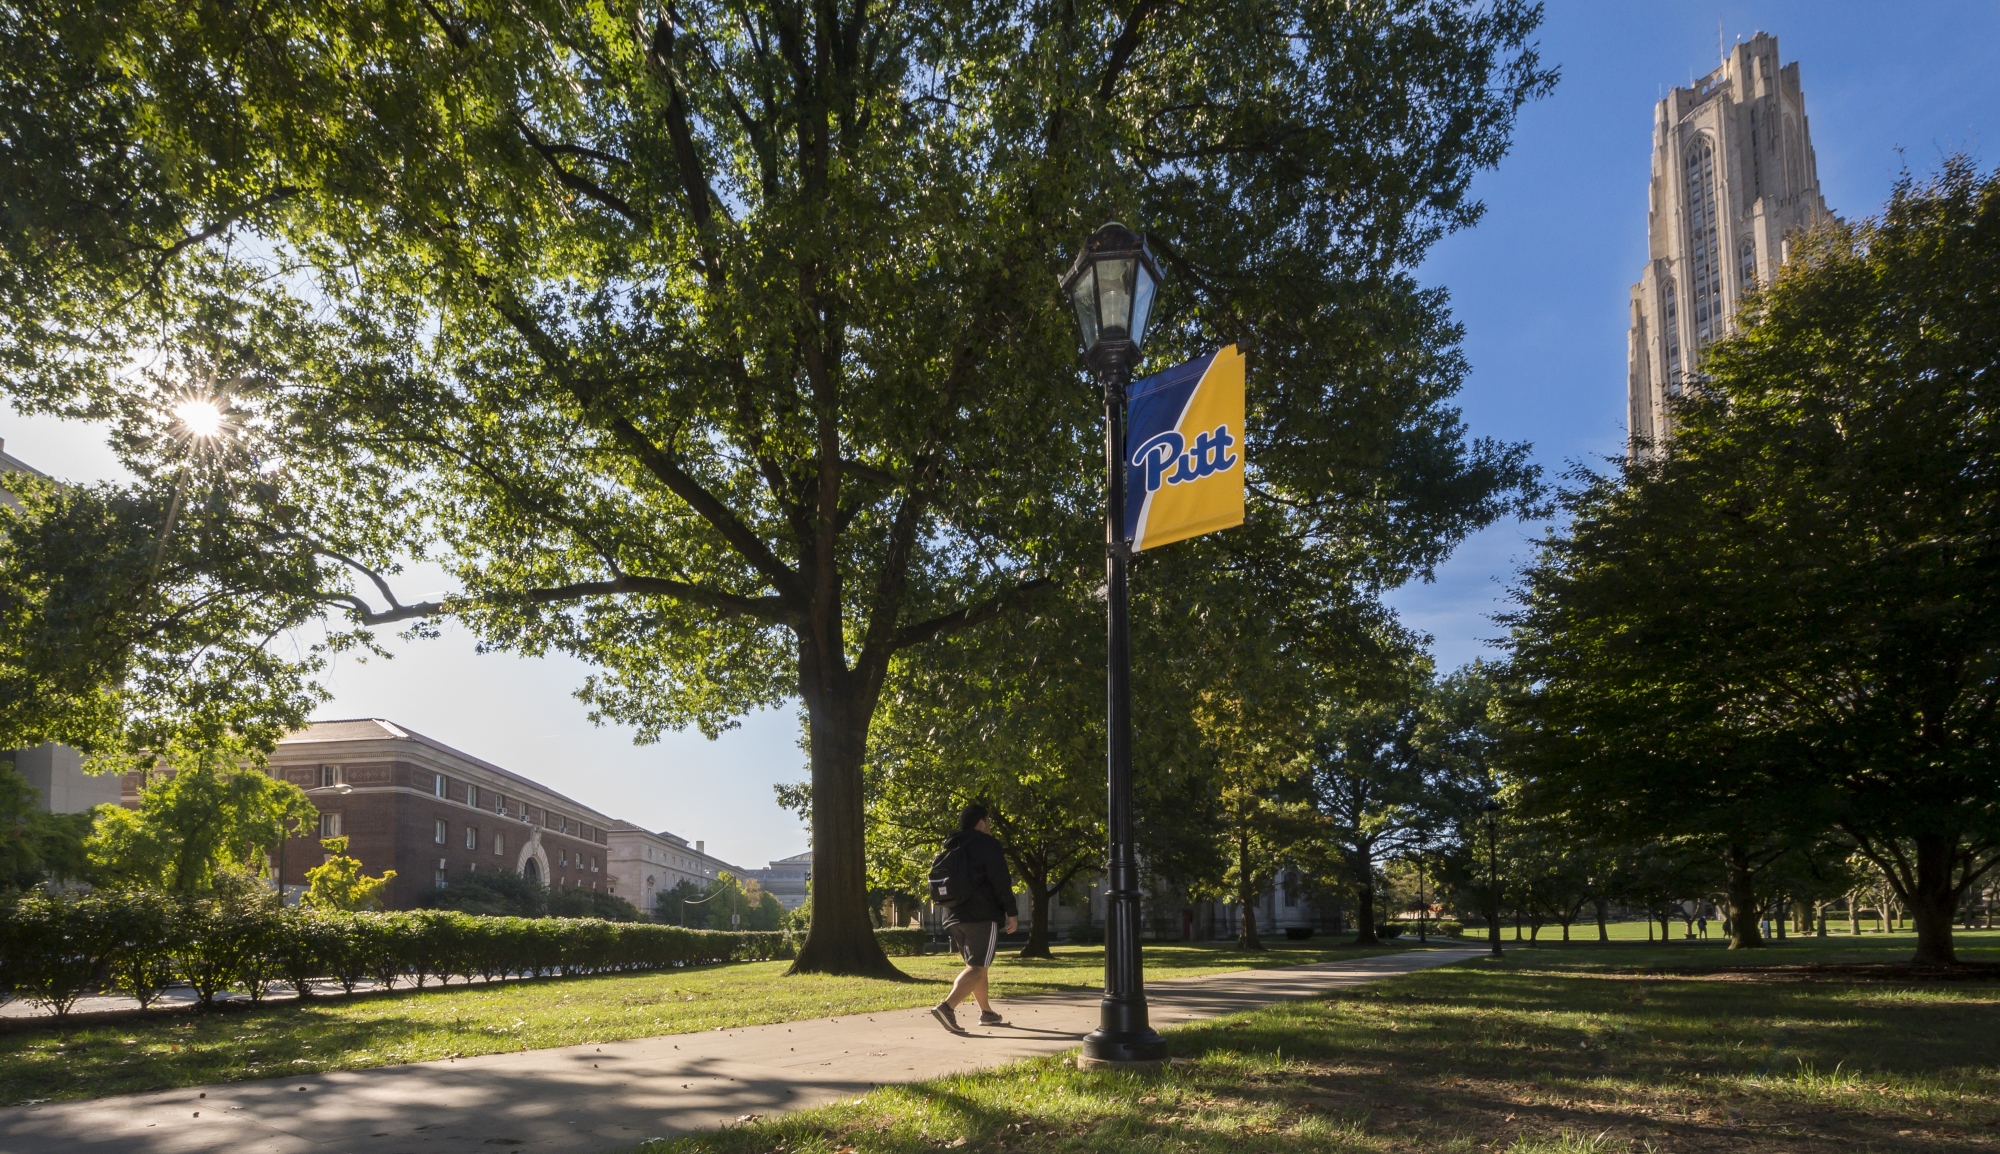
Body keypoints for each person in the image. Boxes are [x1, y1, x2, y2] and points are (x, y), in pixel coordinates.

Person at [930, 803, 1018, 1035]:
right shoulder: (987, 844)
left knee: (976, 966)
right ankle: (947, 1007)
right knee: (978, 967)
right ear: (981, 822)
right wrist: (1012, 911)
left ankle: (986, 1012)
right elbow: (1001, 880)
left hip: (952, 916)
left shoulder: (951, 845)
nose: (989, 826)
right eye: (988, 822)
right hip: (981, 915)